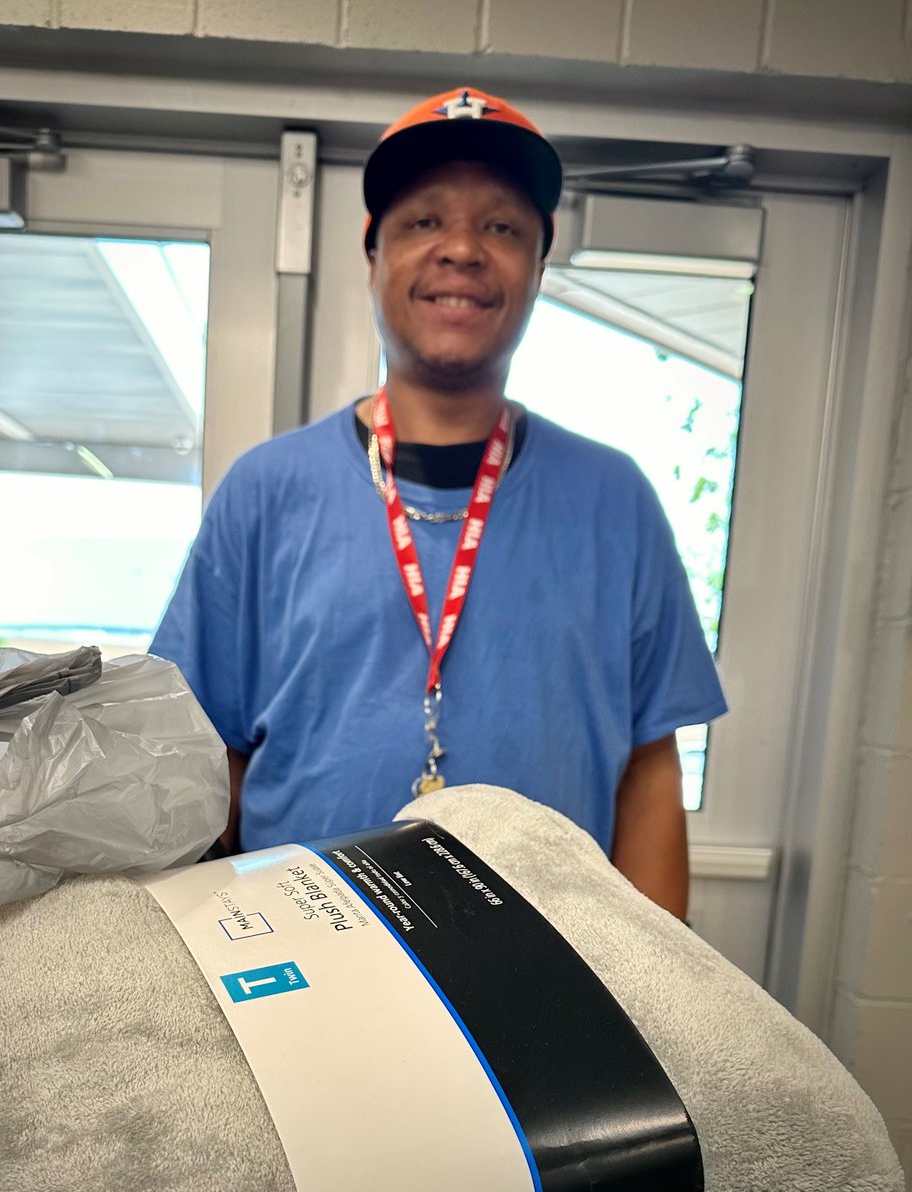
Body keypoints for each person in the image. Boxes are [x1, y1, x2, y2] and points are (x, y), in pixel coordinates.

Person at [150, 86, 727, 918]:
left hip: (551, 972)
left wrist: (657, 996)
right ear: (373, 252)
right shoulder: (268, 491)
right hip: (308, 969)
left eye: (501, 226)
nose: (461, 249)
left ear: (537, 263)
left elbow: (648, 770)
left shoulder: (614, 501)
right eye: (423, 222)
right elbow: (208, 768)